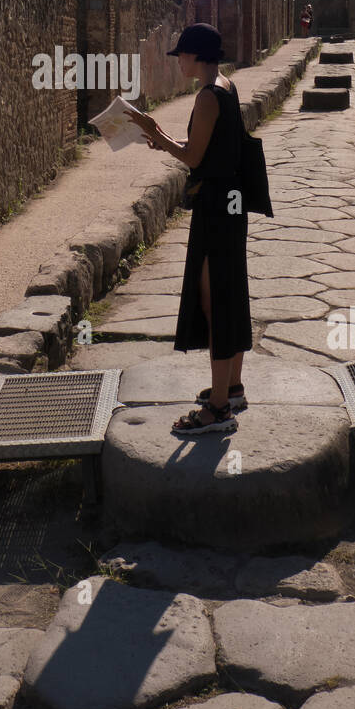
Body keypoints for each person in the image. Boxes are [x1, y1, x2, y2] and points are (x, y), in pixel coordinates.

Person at [129, 23, 251, 435]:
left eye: (181, 54)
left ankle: (218, 410)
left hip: (215, 206)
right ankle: (232, 387)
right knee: (228, 290)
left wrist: (154, 132)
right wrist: (161, 137)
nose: (178, 60)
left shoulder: (206, 97)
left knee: (213, 297)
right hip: (231, 202)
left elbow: (194, 157)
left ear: (196, 56)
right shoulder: (227, 85)